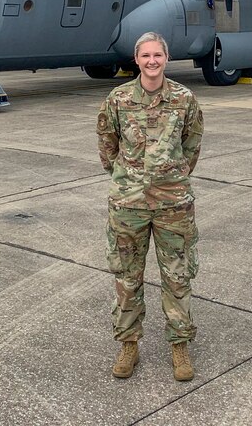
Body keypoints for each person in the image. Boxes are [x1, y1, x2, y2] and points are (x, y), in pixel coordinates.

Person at [96, 31, 204, 382]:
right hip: (128, 204)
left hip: (173, 204)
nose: (152, 61)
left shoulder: (184, 99)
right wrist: (129, 178)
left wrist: (171, 177)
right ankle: (129, 344)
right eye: (146, 56)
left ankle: (180, 346)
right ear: (137, 59)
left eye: (158, 55)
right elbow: (107, 145)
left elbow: (192, 145)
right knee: (127, 276)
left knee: (178, 276)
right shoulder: (118, 98)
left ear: (166, 58)